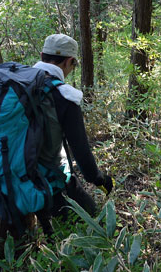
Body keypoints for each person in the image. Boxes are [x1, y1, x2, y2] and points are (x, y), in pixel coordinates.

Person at [32, 34, 114, 232]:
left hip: (10, 175)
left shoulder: (18, 83)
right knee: (93, 221)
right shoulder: (64, 95)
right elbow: (80, 149)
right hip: (48, 180)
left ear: (42, 55)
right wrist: (99, 179)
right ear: (70, 61)